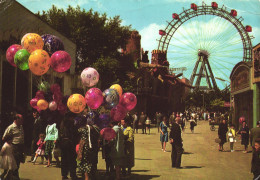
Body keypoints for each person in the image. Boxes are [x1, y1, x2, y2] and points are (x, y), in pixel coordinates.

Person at [2, 113, 25, 180]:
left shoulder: (21, 127)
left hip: (20, 147)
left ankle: (8, 177)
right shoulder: (11, 127)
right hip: (14, 147)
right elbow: (4, 137)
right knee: (15, 164)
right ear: (16, 119)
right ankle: (15, 177)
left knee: (17, 164)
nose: (22, 121)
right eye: (21, 119)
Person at [59, 113, 79, 180]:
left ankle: (64, 175)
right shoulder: (71, 123)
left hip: (63, 142)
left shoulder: (62, 123)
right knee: (72, 160)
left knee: (64, 159)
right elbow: (74, 133)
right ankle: (73, 175)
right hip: (70, 143)